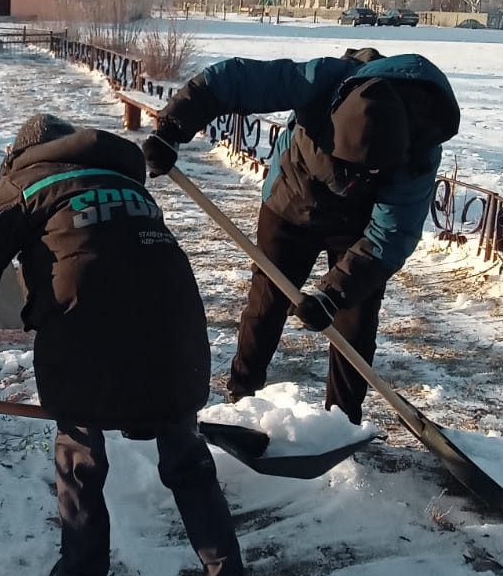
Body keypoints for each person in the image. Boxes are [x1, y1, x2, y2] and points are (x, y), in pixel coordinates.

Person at [0, 113, 275, 576]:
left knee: (80, 454)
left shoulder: (26, 182)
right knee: (189, 464)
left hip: (87, 331)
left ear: (18, 156)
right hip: (176, 326)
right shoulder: (125, 181)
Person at [143, 51, 461, 425]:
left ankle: (342, 423)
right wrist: (172, 129)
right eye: (346, 166)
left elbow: (392, 234)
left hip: (361, 227)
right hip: (292, 202)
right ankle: (241, 397)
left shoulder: (420, 151)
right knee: (267, 303)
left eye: (368, 172)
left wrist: (334, 293)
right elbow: (231, 80)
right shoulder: (321, 80)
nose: (350, 181)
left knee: (354, 322)